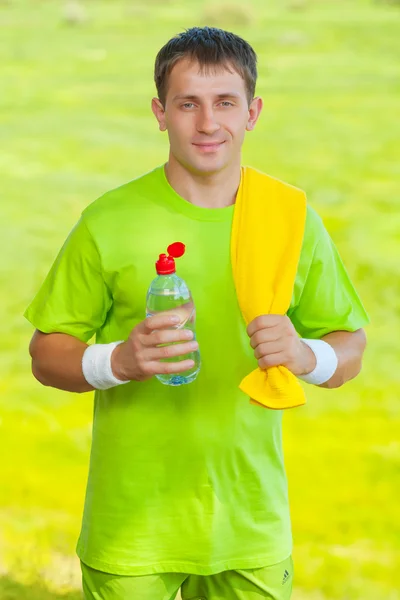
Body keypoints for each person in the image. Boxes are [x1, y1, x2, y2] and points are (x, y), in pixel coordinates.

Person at [25, 27, 369, 600]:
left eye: (225, 103)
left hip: (250, 526)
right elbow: (45, 354)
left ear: (253, 112)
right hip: (132, 529)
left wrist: (308, 355)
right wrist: (120, 360)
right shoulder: (108, 220)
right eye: (188, 104)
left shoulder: (289, 217)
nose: (208, 124)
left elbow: (350, 348)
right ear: (160, 113)